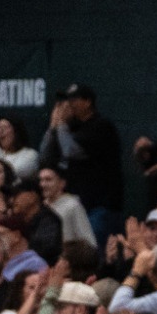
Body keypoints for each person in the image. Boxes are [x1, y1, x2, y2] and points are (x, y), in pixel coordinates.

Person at [39, 84, 124, 243]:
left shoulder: (100, 125)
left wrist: (62, 125)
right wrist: (53, 127)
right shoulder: (69, 127)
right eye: (66, 101)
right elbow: (44, 156)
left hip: (99, 206)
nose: (68, 105)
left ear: (87, 102)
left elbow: (71, 151)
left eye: (73, 100)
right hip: (73, 205)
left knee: (94, 251)